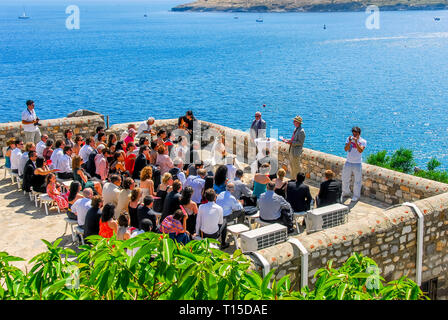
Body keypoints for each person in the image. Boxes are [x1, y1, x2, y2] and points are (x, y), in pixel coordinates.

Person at [341, 126, 367, 202]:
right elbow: (346, 149)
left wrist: (356, 142)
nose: (354, 135)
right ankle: (346, 192)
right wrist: (349, 142)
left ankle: (356, 196)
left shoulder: (363, 141)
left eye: (355, 134)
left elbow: (360, 150)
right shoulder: (348, 139)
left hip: (357, 163)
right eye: (353, 134)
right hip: (348, 161)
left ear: (359, 134)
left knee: (357, 181)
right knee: (345, 178)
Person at [282, 115, 305, 181]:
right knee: (292, 166)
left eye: (294, 121)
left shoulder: (301, 131)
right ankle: (292, 179)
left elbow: (300, 143)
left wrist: (291, 143)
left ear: (298, 122)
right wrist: (287, 140)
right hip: (292, 150)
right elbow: (294, 139)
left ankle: (298, 180)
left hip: (296, 152)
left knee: (296, 167)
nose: (293, 122)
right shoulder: (296, 129)